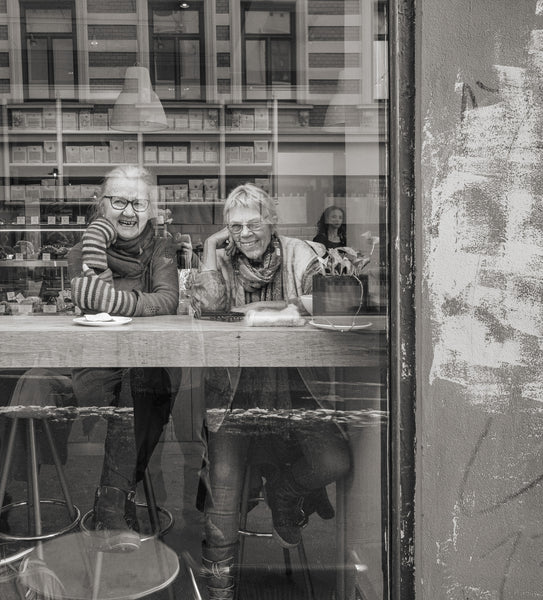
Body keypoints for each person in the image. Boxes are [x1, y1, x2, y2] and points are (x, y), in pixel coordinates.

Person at [189, 183, 352, 600]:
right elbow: (207, 307)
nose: (244, 233)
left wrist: (268, 310)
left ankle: (285, 489)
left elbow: (338, 298)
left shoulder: (301, 253)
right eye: (235, 226)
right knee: (222, 494)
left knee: (334, 460)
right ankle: (219, 586)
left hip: (297, 390)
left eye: (253, 222)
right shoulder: (220, 260)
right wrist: (209, 248)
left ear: (271, 221)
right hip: (232, 396)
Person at [67, 165, 180, 551]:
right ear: (101, 205)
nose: (129, 211)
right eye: (118, 201)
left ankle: (113, 501)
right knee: (136, 386)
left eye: (139, 202)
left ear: (151, 210)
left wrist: (118, 301)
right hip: (96, 369)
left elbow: (168, 300)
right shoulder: (83, 250)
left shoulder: (161, 249)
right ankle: (117, 502)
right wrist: (134, 303)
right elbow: (90, 300)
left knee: (142, 380)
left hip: (148, 369)